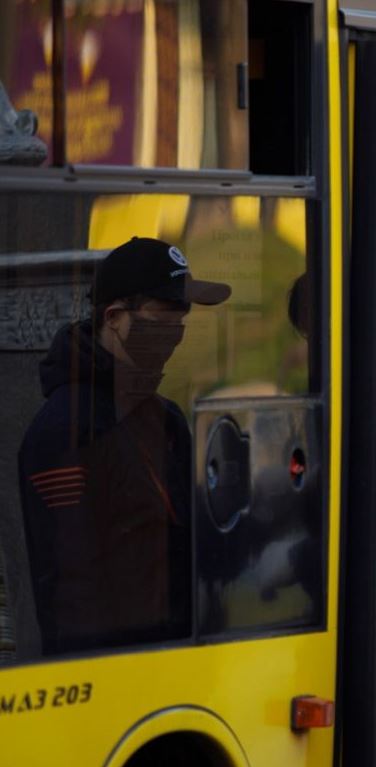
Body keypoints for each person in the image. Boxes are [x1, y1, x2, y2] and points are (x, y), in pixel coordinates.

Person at [18, 237, 230, 655]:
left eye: (182, 320)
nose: (176, 334)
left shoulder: (165, 419)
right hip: (116, 679)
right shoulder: (67, 428)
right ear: (114, 317)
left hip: (181, 664)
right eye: (163, 318)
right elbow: (73, 592)